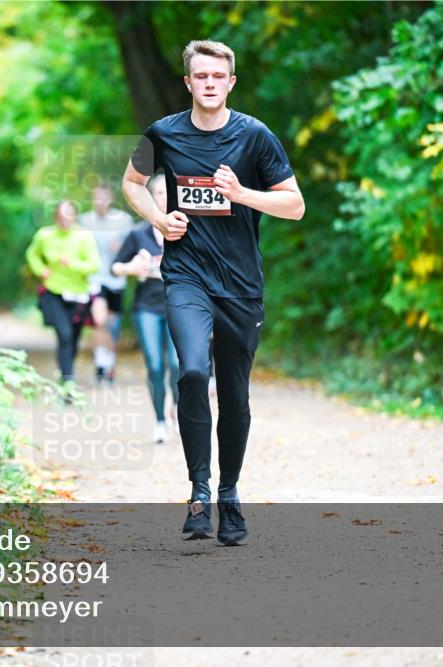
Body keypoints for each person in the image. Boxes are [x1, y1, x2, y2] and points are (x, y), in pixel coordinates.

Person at [121, 40, 305, 546]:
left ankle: (230, 493)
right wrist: (159, 220)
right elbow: (132, 182)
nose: (208, 83)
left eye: (216, 76)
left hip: (241, 287)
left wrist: (242, 194)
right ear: (188, 83)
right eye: (199, 76)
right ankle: (198, 492)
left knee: (235, 395)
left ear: (230, 83)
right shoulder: (162, 133)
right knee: (193, 372)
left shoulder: (255, 137)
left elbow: (295, 205)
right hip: (186, 276)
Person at [111, 174, 179, 444]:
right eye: (159, 193)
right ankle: (160, 421)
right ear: (150, 198)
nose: (164, 198)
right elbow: (115, 267)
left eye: (168, 193)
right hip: (146, 308)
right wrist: (131, 268)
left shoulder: (186, 228)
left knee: (177, 364)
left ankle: (175, 408)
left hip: (179, 308)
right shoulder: (138, 233)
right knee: (154, 365)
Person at [25, 200, 101, 384]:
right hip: (53, 291)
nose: (64, 220)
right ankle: (68, 382)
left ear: (74, 217)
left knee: (73, 339)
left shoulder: (84, 236)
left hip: (78, 294)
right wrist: (40, 269)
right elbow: (32, 254)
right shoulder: (45, 235)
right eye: (61, 216)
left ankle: (66, 372)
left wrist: (72, 264)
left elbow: (94, 265)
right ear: (55, 217)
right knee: (64, 334)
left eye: (69, 216)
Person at [79, 183, 134, 383]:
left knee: (112, 325)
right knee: (99, 321)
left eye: (103, 198)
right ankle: (100, 362)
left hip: (117, 280)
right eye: (96, 198)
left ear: (110, 199)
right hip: (94, 277)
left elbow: (133, 247)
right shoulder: (84, 221)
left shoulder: (124, 221)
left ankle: (108, 362)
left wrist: (121, 248)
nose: (100, 202)